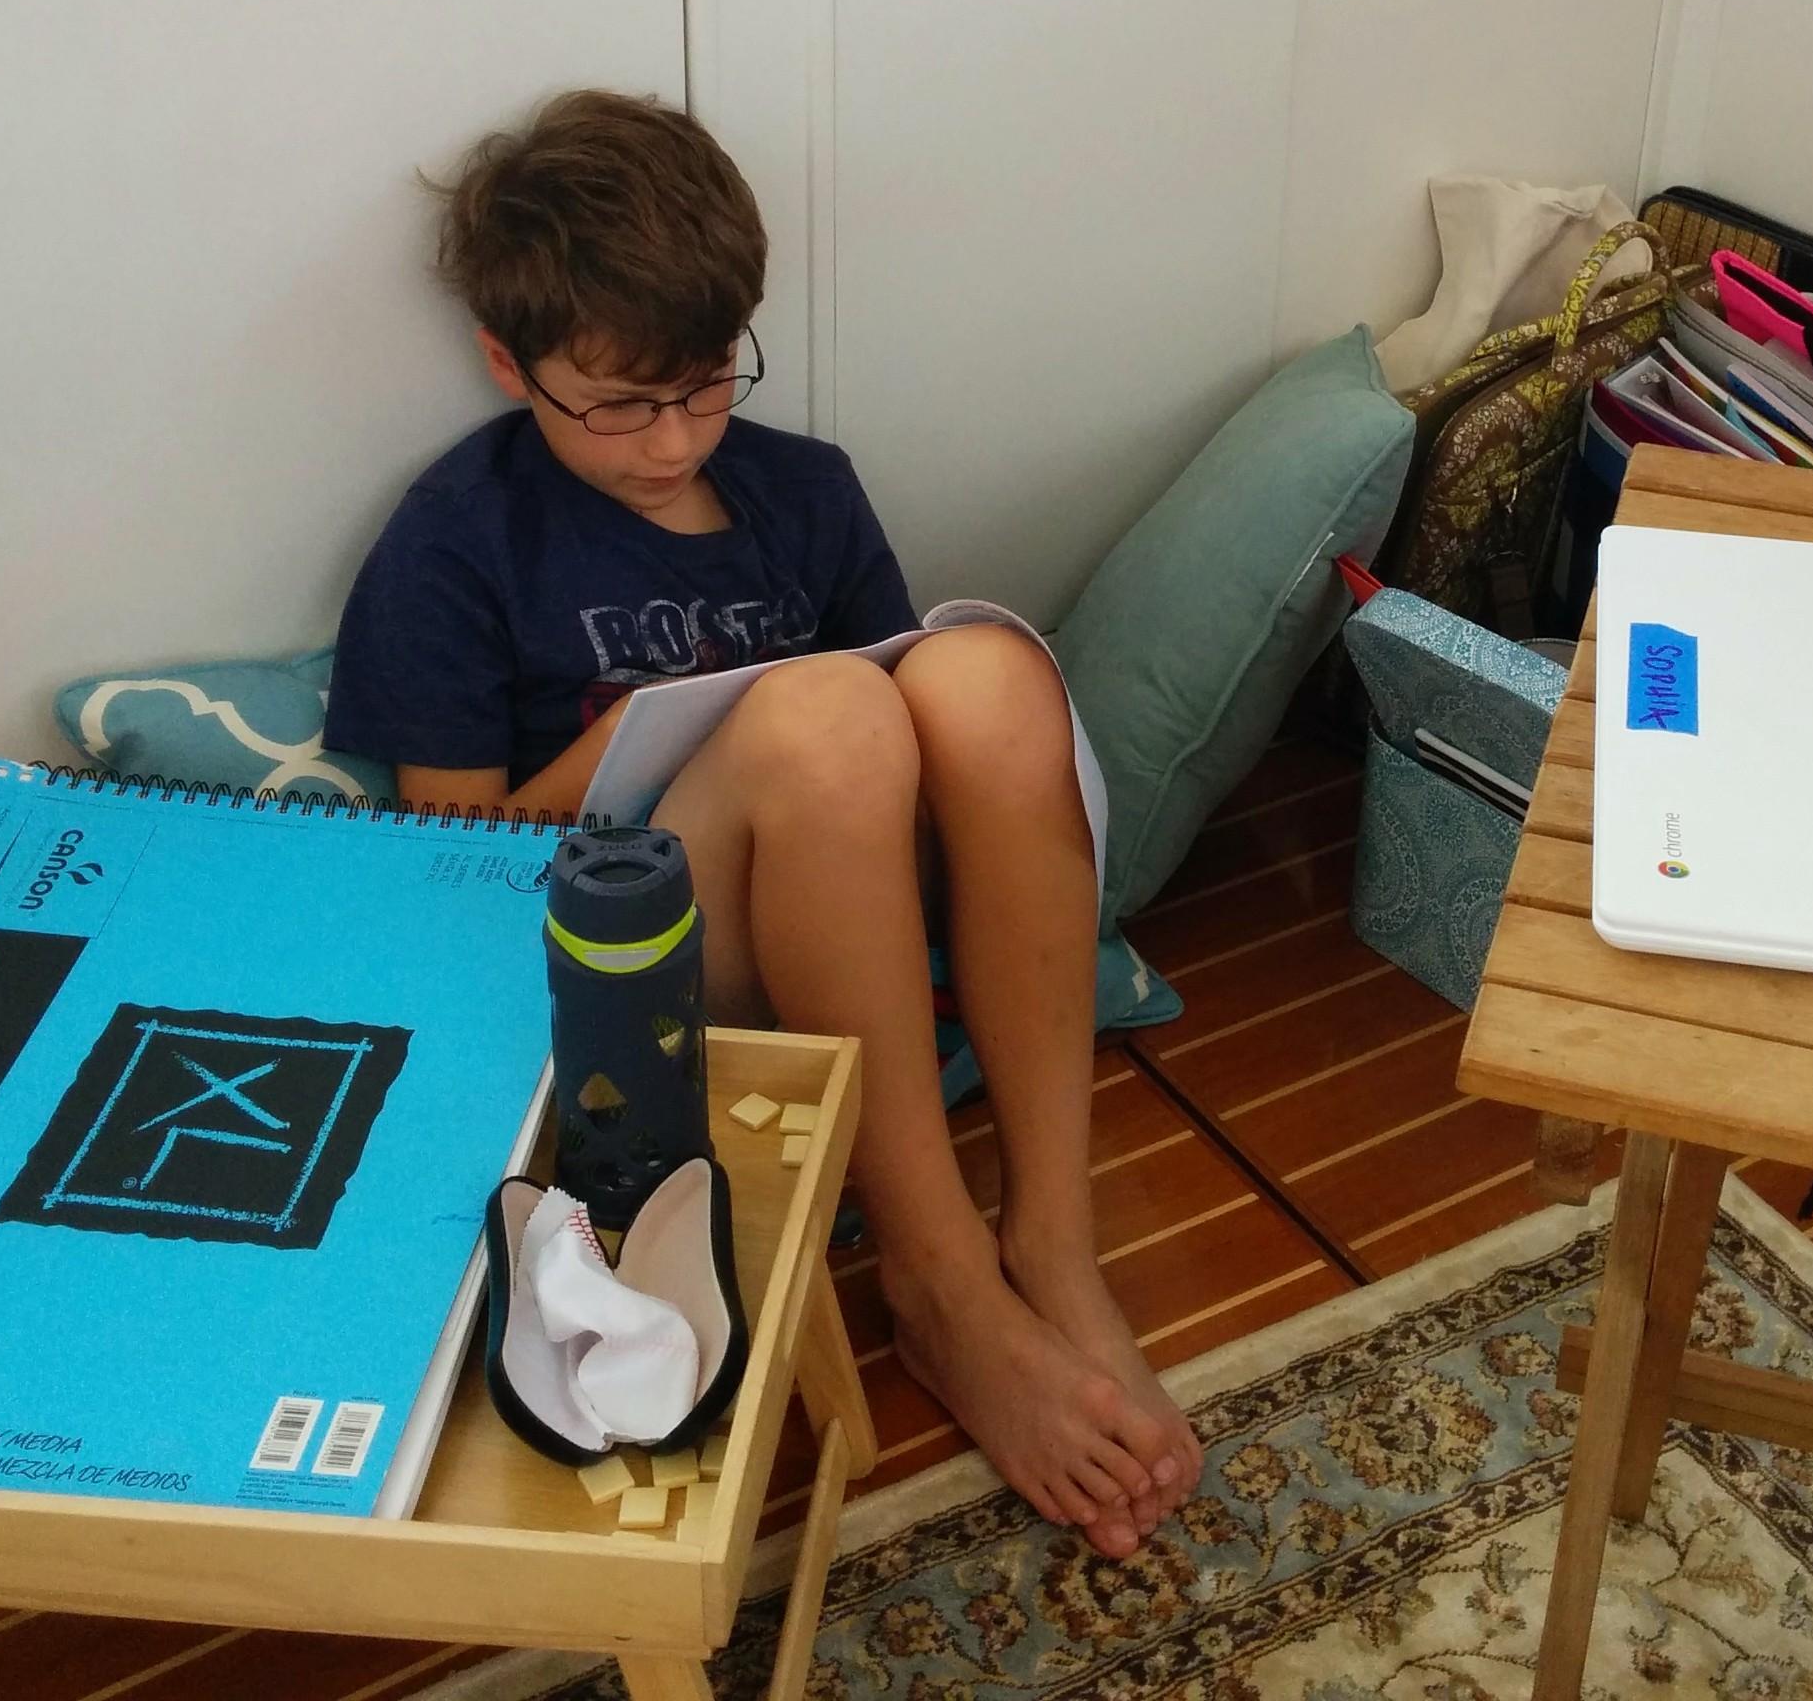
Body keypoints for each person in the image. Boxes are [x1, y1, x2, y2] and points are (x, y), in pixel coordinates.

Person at [326, 90, 1200, 1555]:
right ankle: (939, 1278)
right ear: (508, 364)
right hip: (644, 965)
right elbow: (452, 866)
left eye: (704, 385)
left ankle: (1053, 1242)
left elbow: (905, 714)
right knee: (822, 714)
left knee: (984, 674)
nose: (672, 440)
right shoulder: (462, 537)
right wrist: (637, 731)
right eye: (619, 404)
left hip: (848, 910)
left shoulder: (804, 492)